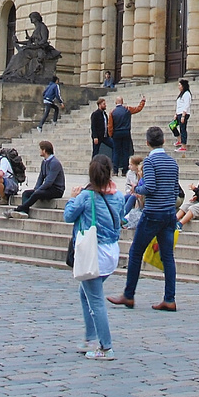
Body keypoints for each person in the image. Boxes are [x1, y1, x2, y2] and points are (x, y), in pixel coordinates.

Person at [64, 154, 130, 361]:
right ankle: (90, 337)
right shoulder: (118, 196)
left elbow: (68, 216)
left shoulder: (85, 196)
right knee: (86, 293)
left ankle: (105, 346)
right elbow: (121, 219)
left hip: (94, 252)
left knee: (96, 300)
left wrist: (73, 197)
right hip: (111, 251)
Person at [110, 125, 180, 312]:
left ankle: (129, 294)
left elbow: (149, 187)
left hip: (152, 213)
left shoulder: (149, 162)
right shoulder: (173, 163)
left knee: (136, 252)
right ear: (164, 141)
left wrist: (136, 190)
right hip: (168, 213)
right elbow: (175, 191)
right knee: (168, 257)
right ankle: (170, 298)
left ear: (148, 143)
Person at [5, 140, 65, 218]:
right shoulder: (44, 162)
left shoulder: (54, 163)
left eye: (40, 149)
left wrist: (38, 190)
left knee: (37, 194)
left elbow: (49, 181)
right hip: (47, 188)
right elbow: (41, 177)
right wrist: (36, 188)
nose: (39, 151)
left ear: (44, 150)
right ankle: (24, 212)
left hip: (56, 190)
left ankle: (19, 209)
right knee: (26, 193)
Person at [110, 96, 146, 173]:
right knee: (125, 151)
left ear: (116, 102)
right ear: (122, 102)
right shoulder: (127, 109)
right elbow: (138, 109)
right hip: (126, 131)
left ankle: (115, 170)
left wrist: (111, 134)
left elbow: (110, 125)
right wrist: (142, 102)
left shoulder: (112, 112)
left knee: (116, 151)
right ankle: (125, 170)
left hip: (116, 133)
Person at [173, 80, 192, 151]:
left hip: (183, 113)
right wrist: (176, 113)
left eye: (179, 85)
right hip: (179, 113)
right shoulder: (181, 94)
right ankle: (179, 140)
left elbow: (186, 105)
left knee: (182, 129)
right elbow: (179, 105)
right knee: (172, 126)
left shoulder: (187, 94)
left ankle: (183, 146)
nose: (178, 87)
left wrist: (183, 115)